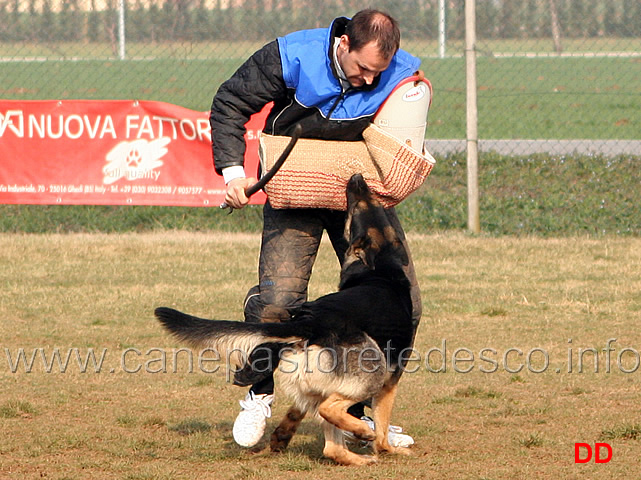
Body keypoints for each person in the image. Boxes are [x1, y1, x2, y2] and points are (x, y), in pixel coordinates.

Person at [210, 8, 422, 449]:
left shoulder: (402, 73)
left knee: (402, 300)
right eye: (362, 68)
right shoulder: (293, 55)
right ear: (343, 44)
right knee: (278, 303)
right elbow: (231, 102)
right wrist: (233, 173)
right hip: (295, 186)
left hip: (357, 191)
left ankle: (364, 414)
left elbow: (404, 133)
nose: (368, 80)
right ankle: (259, 394)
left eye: (377, 73)